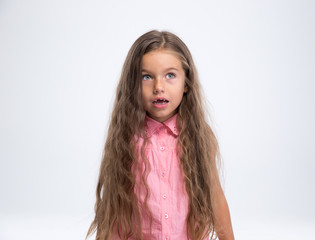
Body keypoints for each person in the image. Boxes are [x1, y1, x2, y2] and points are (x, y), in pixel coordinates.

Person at [86, 30, 234, 240]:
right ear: (133, 85)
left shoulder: (200, 137)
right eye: (146, 77)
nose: (158, 87)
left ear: (187, 83)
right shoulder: (127, 138)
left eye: (170, 75)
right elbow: (114, 211)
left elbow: (215, 197)